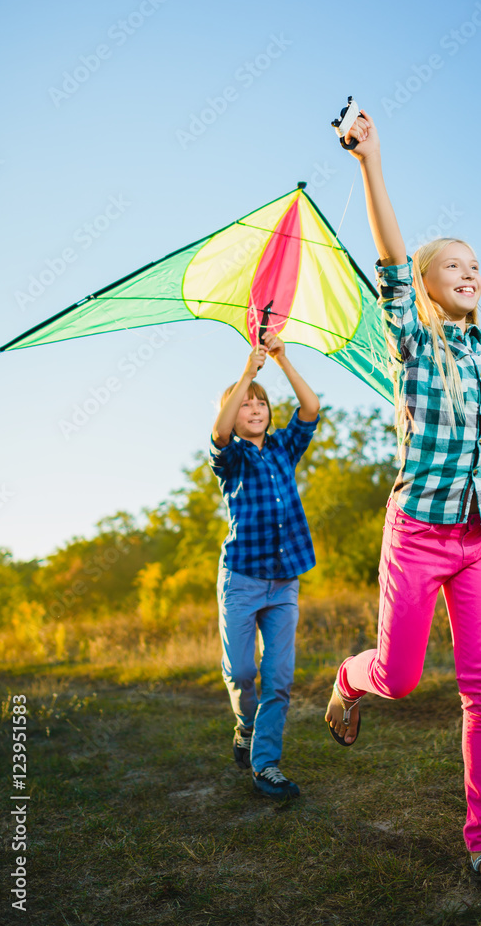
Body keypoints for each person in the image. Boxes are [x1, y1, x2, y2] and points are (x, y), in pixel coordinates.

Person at [325, 110, 481, 899]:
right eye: (454, 267)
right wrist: (372, 162)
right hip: (418, 536)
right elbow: (392, 259)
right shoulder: (411, 338)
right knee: (400, 679)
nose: (471, 273)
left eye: (477, 265)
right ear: (429, 288)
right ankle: (349, 677)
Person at [210, 329, 320, 799]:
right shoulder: (229, 456)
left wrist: (280, 359)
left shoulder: (282, 448)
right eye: (245, 406)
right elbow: (218, 431)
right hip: (242, 578)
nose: (254, 410)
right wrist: (246, 374)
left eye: (260, 404)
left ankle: (266, 764)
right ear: (234, 416)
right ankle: (244, 726)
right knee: (241, 672)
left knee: (278, 677)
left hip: (284, 581)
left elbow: (311, 408)